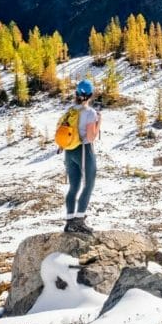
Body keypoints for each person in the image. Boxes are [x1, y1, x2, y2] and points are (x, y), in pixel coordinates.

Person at [64, 78, 101, 233]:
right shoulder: (90, 113)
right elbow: (91, 137)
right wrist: (99, 122)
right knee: (89, 183)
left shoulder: (70, 110)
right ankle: (79, 220)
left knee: (74, 186)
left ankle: (70, 221)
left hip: (69, 150)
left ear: (76, 94)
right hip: (84, 149)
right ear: (90, 95)